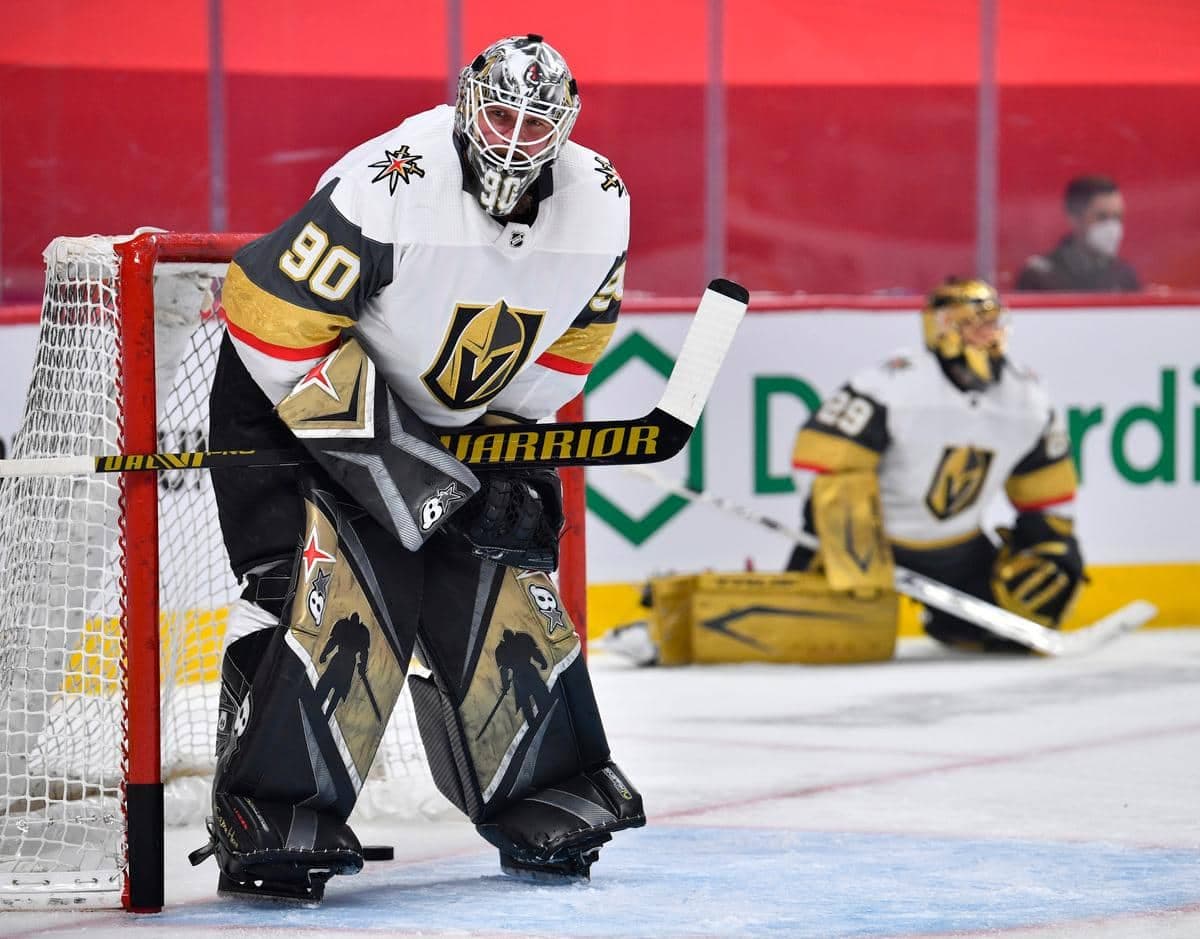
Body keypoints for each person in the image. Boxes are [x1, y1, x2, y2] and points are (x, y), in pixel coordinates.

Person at [189, 34, 643, 902]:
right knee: (334, 589)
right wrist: (401, 469)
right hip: (288, 390)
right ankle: (270, 811)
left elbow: (573, 341)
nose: (516, 138)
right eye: (501, 114)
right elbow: (263, 315)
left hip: (451, 418)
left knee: (502, 571)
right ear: (469, 105)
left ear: (568, 127)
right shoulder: (390, 179)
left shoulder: (603, 198)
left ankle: (540, 793)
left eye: (537, 121)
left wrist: (507, 443)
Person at [786, 278, 1086, 651]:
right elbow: (819, 458)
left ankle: (954, 624)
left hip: (959, 552)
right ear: (944, 328)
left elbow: (1047, 489)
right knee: (807, 639)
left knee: (1042, 592)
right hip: (873, 543)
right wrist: (851, 537)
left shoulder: (1027, 396)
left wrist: (1051, 544)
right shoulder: (893, 383)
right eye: (978, 324)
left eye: (995, 324)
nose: (991, 335)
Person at [1016, 175, 1140, 291]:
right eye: (1102, 217)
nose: (1112, 227)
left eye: (1117, 217)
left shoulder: (1124, 276)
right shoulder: (1041, 276)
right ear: (1074, 218)